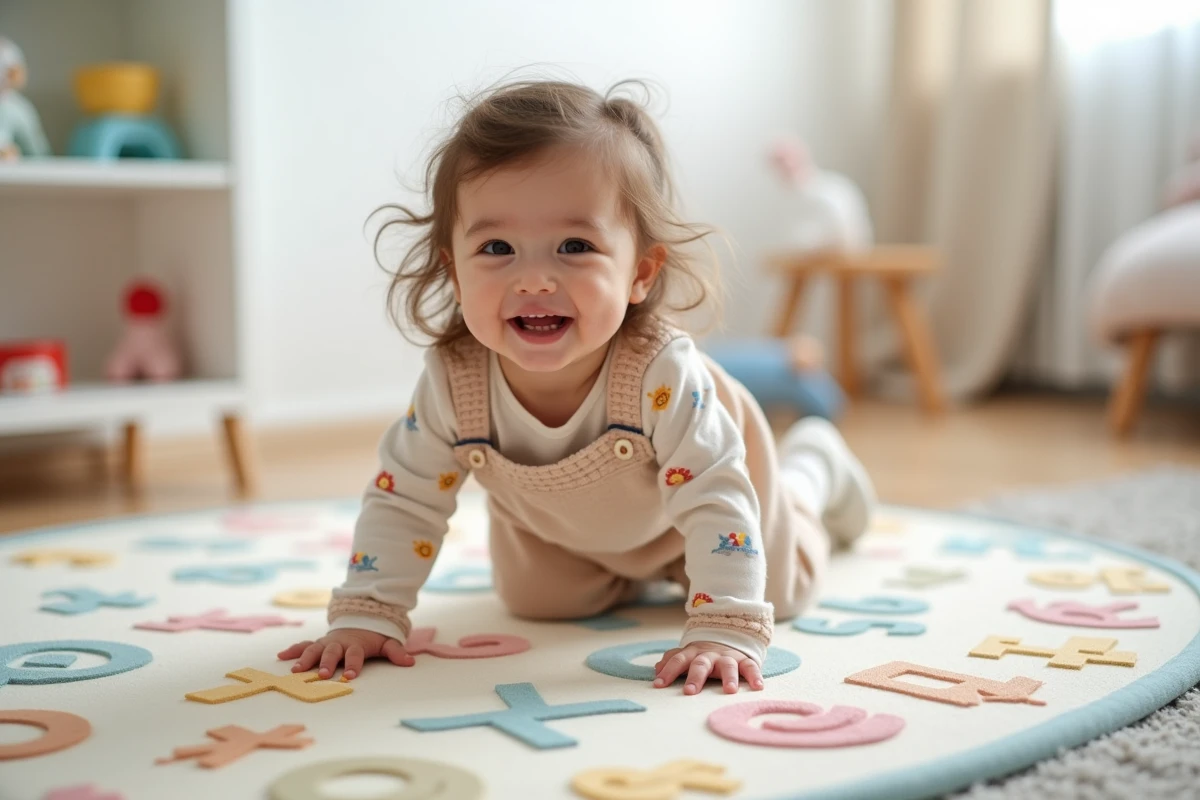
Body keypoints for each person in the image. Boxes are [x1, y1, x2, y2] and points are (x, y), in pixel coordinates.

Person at [277, 78, 876, 696]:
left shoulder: (660, 373)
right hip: (574, 537)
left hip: (715, 493)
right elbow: (405, 497)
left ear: (640, 272)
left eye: (574, 246)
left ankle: (812, 469)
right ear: (453, 272)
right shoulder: (454, 381)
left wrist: (722, 624)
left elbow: (713, 492)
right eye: (497, 247)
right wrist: (367, 613)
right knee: (536, 600)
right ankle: (642, 573)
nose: (534, 278)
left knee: (781, 589)